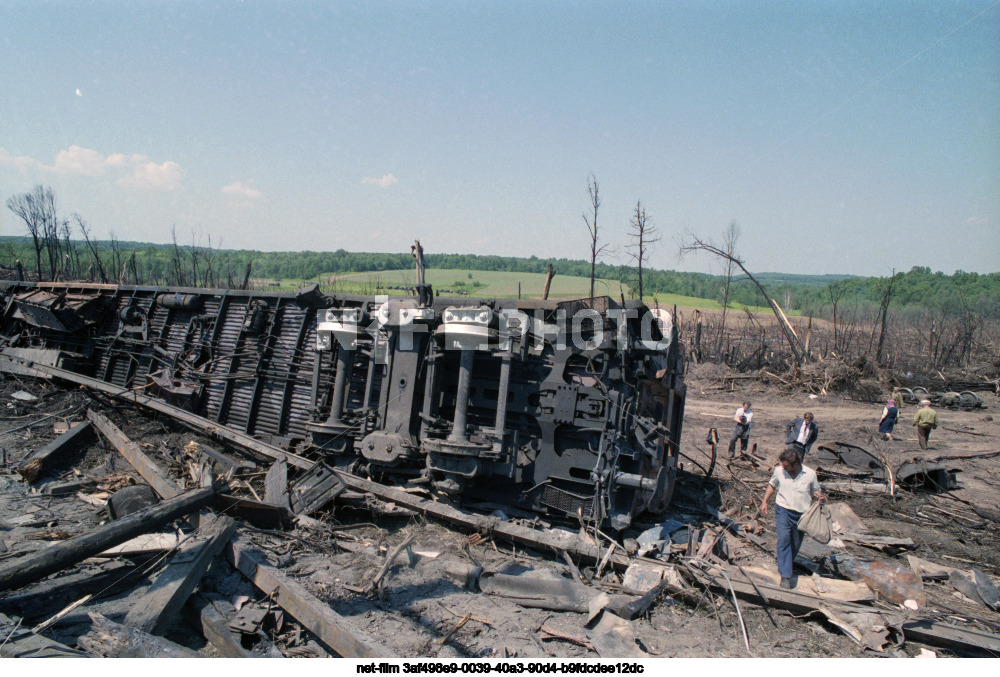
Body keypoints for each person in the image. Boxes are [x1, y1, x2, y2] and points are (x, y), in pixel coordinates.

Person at [760, 448, 826, 589]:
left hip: (802, 515)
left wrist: (819, 496)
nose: (782, 467)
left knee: (795, 544)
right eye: (782, 464)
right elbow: (772, 485)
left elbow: (815, 489)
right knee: (784, 539)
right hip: (783, 509)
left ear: (795, 464)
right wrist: (765, 501)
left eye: (786, 465)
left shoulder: (810, 474)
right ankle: (785, 576)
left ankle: (786, 563)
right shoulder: (779, 471)